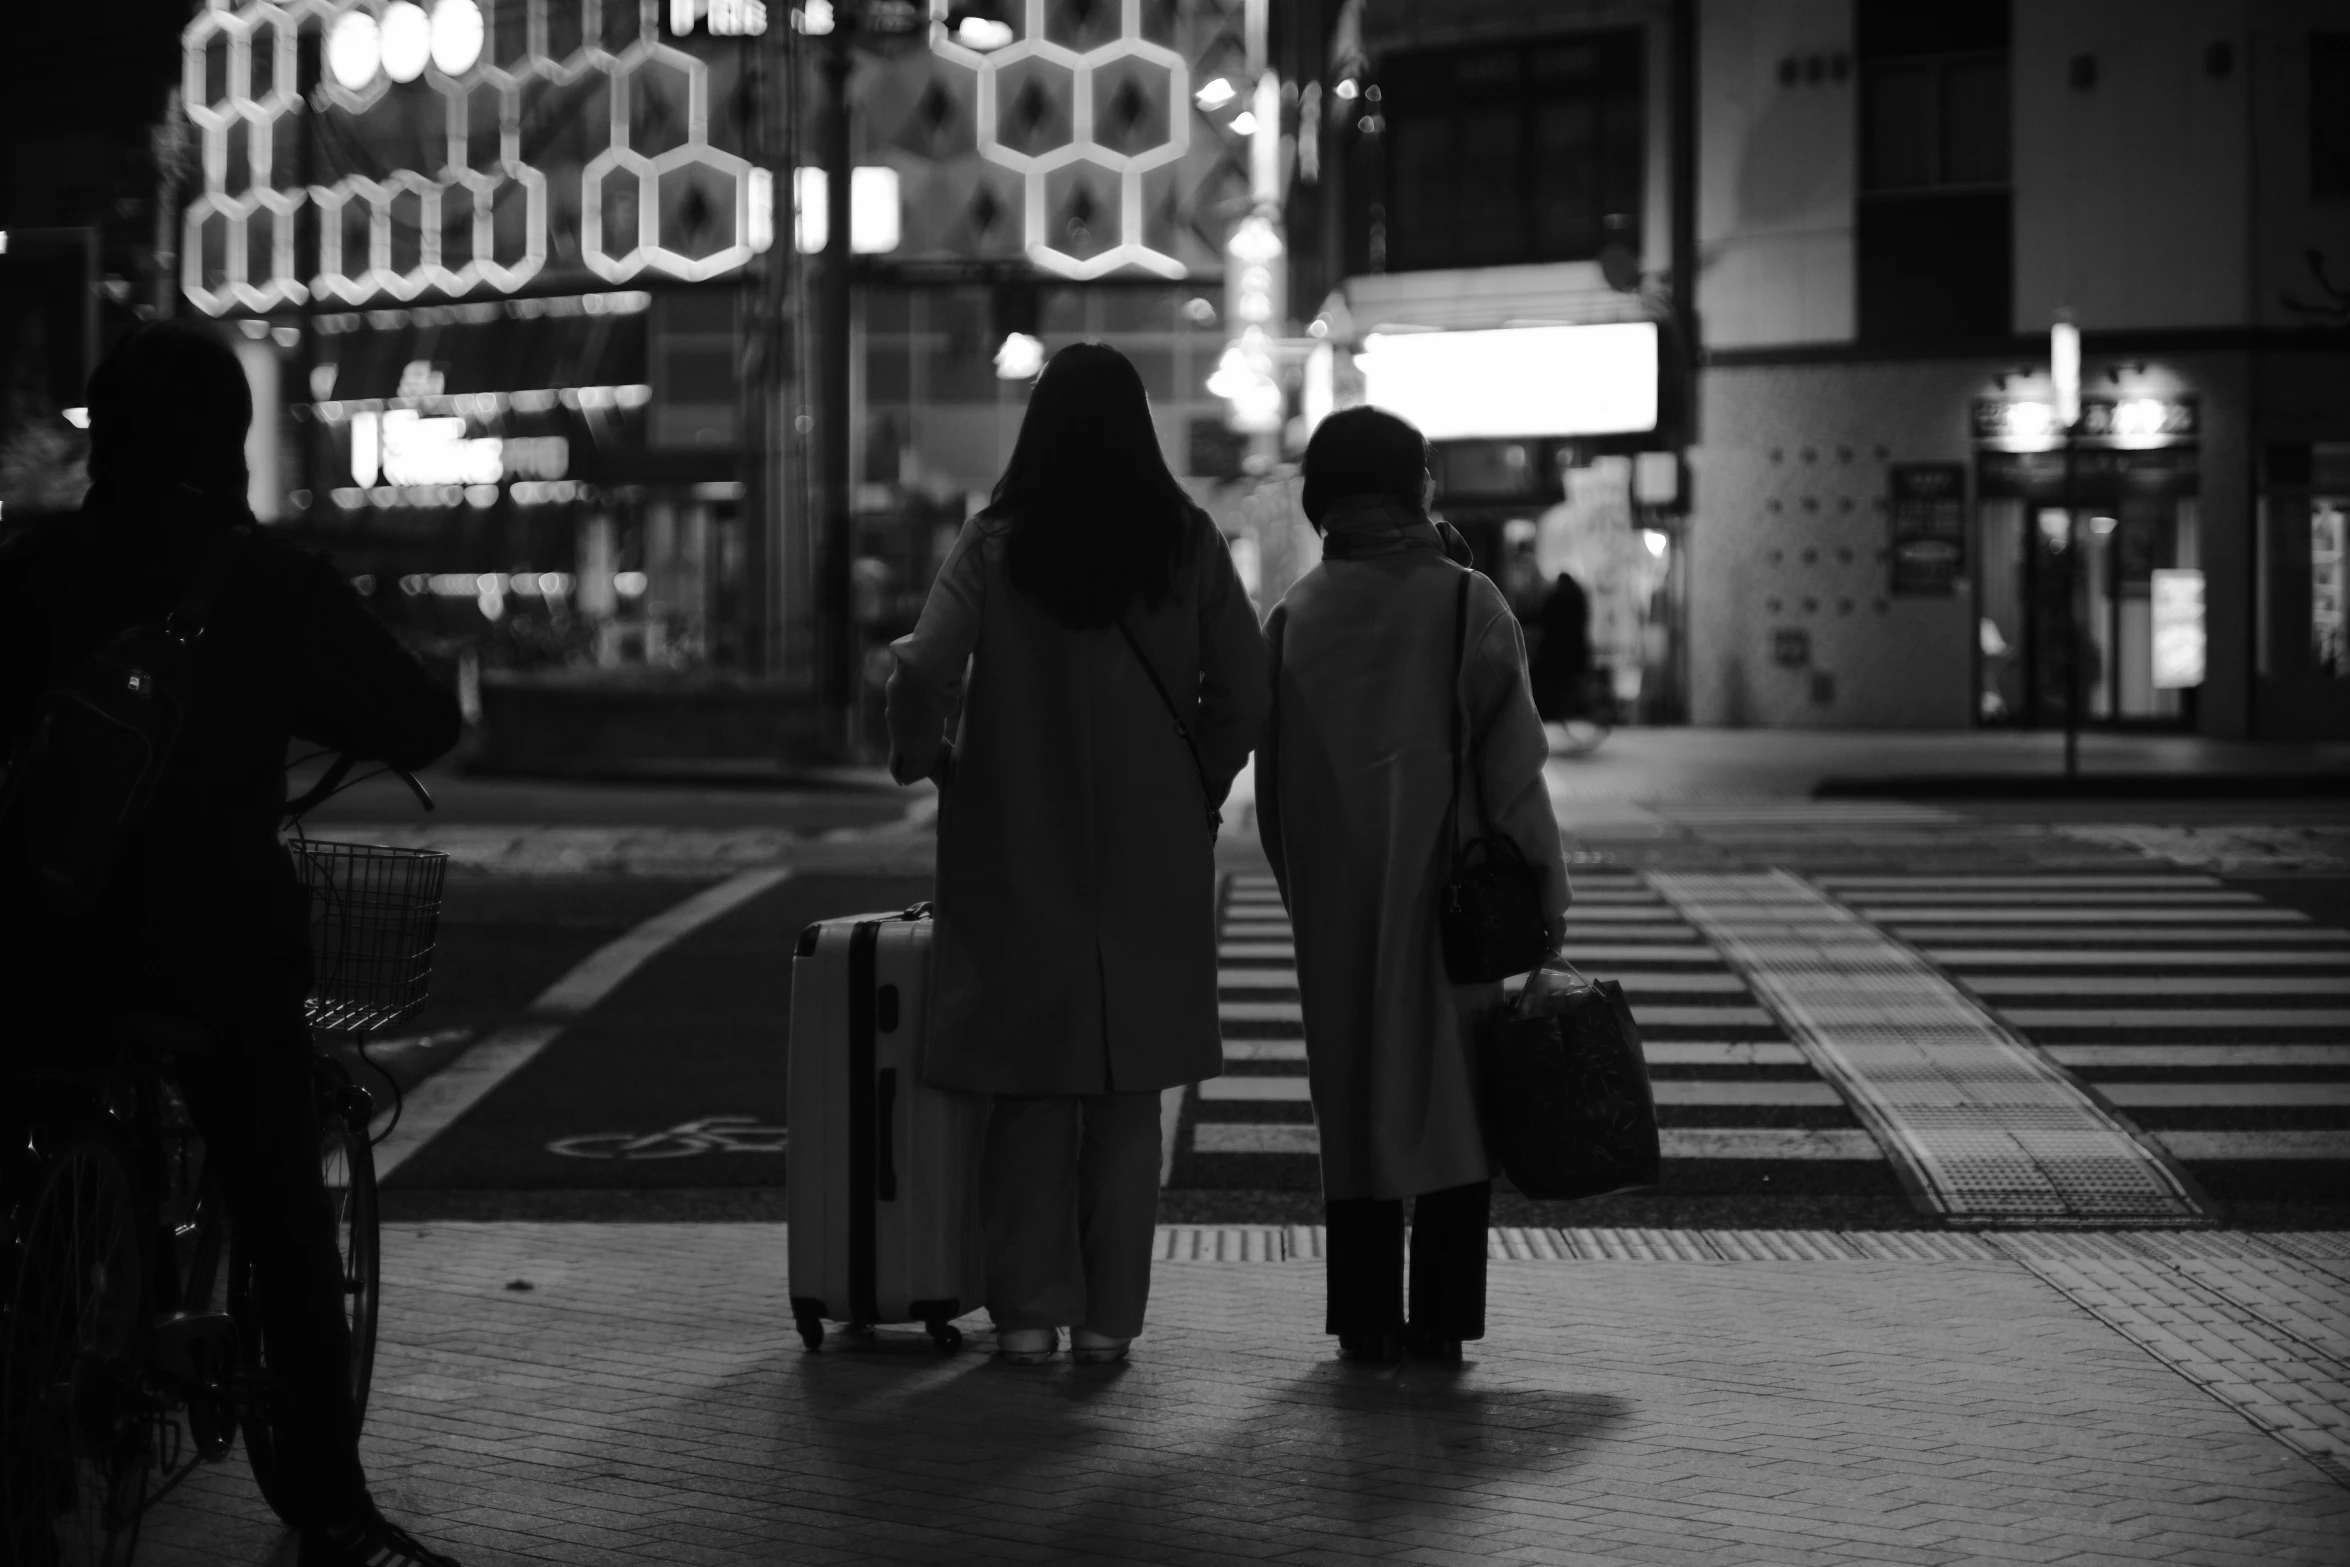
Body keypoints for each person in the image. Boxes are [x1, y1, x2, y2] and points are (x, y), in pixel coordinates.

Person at [0, 322, 465, 1567]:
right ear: (232, 438)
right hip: (211, 953)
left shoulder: (32, 566)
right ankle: (326, 1502)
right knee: (277, 1204)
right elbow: (416, 716)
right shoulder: (267, 583)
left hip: (42, 945)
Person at [885, 343, 1268, 1365]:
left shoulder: (998, 540)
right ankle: (1109, 1323)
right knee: (1127, 1092)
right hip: (1151, 852)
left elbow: (922, 665)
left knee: (1028, 1085)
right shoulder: (1183, 539)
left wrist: (927, 759)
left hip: (1017, 842)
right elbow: (1247, 685)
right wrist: (1200, 781)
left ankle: (1026, 1314)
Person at [1256, 406, 1578, 1364]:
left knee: (1350, 1106)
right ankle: (1440, 1322)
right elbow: (1516, 777)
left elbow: (1274, 802)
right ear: (1418, 488)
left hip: (1338, 913)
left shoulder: (1293, 619)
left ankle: (1362, 1318)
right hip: (1455, 917)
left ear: (1320, 502)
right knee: (1450, 1108)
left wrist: (1312, 894)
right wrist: (1547, 902)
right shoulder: (1465, 603)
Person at [1527, 568, 1593, 724]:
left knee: (1545, 681)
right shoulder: (1580, 597)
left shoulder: (1555, 597)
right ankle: (1574, 711)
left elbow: (1542, 617)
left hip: (1555, 652)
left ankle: (1548, 713)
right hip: (1576, 652)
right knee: (1572, 684)